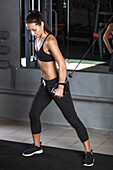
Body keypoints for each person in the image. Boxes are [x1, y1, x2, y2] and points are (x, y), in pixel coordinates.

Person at [22, 10, 94, 167]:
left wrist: (61, 86)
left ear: (41, 24)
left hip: (56, 85)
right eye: (30, 30)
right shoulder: (37, 39)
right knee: (33, 114)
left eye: (34, 29)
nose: (32, 33)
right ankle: (37, 146)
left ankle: (89, 152)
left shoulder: (50, 40)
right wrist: (44, 80)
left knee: (72, 119)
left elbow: (62, 64)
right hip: (45, 85)